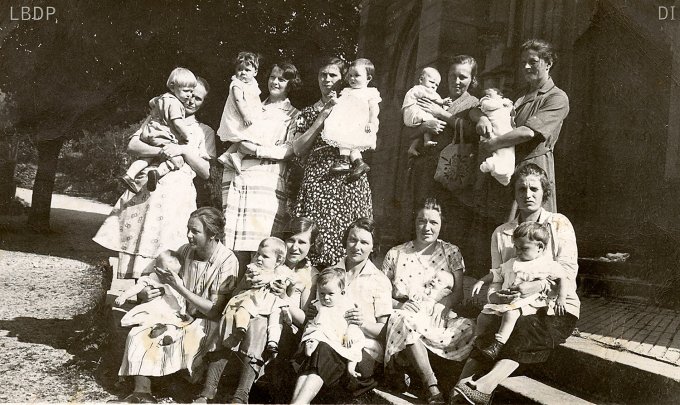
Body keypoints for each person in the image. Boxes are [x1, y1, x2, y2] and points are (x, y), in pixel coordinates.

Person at [451, 164, 579, 405]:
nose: (527, 194)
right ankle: (457, 392)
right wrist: (495, 298)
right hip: (510, 307)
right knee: (488, 330)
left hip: (555, 308)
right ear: (514, 194)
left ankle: (484, 387)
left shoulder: (558, 224)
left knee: (522, 327)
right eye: (521, 189)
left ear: (544, 193)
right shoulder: (501, 233)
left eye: (534, 189)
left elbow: (568, 274)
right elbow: (497, 279)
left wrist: (539, 286)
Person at [110, 207, 240, 403]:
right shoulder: (185, 251)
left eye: (195, 231)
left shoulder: (227, 261)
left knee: (181, 340)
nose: (189, 235)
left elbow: (214, 310)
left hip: (206, 322)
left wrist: (178, 287)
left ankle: (185, 386)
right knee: (138, 334)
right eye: (188, 229)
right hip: (176, 314)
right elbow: (153, 278)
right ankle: (142, 392)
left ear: (212, 234)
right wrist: (146, 293)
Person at [94, 78, 211, 280]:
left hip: (178, 196)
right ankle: (138, 293)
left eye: (198, 99)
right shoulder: (159, 117)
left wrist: (183, 149)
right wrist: (162, 152)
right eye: (189, 95)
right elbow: (133, 146)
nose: (191, 101)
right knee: (142, 238)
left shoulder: (203, 131)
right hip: (147, 190)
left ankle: (161, 297)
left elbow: (205, 171)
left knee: (169, 246)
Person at [195, 217, 319, 404]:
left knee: (258, 325)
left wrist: (284, 298)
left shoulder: (310, 275)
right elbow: (236, 296)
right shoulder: (264, 261)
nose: (294, 247)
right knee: (232, 319)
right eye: (291, 240)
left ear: (312, 245)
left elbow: (304, 321)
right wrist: (246, 284)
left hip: (280, 330)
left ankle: (241, 395)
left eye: (302, 242)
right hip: (250, 318)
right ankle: (207, 391)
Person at [382, 198, 475, 404]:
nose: (427, 227)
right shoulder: (396, 253)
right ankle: (432, 386)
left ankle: (405, 364)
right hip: (405, 313)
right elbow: (379, 294)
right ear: (414, 222)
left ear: (442, 224)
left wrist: (444, 303)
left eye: (433, 222)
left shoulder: (451, 252)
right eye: (422, 221)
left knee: (471, 328)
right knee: (405, 320)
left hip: (437, 314)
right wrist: (399, 304)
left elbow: (458, 293)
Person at [291, 218, 391, 404]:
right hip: (326, 342)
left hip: (360, 350)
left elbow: (385, 332)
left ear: (373, 246)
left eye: (364, 242)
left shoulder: (379, 280)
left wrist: (362, 323)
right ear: (345, 240)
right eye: (352, 240)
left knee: (322, 350)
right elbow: (314, 309)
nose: (357, 246)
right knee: (321, 347)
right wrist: (314, 311)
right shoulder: (330, 273)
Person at [221, 62, 301, 275]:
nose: (275, 82)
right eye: (272, 77)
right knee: (233, 242)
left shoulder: (293, 115)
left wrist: (256, 150)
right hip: (239, 174)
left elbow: (289, 150)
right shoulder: (252, 104)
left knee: (261, 243)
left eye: (282, 79)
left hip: (267, 179)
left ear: (290, 84)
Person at [292, 57, 373, 269]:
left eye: (333, 75)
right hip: (319, 177)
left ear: (343, 78)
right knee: (314, 233)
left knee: (350, 234)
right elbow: (298, 148)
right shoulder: (307, 112)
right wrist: (322, 116)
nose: (327, 79)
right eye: (322, 75)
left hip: (349, 179)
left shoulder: (356, 103)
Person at [474, 38, 570, 215]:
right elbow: (484, 108)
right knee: (499, 225)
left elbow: (528, 132)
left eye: (533, 62)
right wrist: (482, 118)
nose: (526, 67)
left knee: (527, 229)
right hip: (506, 163)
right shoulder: (519, 94)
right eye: (523, 62)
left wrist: (494, 143)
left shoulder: (556, 97)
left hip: (532, 167)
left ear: (548, 63)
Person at [402, 55, 480, 269]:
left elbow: (475, 133)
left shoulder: (473, 104)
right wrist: (424, 127)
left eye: (463, 77)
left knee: (449, 227)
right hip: (427, 173)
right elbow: (410, 127)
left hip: (453, 177)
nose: (456, 81)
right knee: (423, 224)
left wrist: (442, 115)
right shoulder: (437, 98)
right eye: (452, 75)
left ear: (472, 79)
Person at [470, 221, 568, 361]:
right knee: (483, 315)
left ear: (540, 247)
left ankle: (498, 344)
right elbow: (497, 273)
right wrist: (481, 281)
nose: (518, 252)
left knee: (510, 314)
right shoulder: (512, 262)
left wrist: (561, 298)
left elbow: (563, 278)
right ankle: (477, 340)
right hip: (509, 300)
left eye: (523, 248)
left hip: (529, 303)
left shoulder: (546, 264)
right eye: (516, 247)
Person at [120, 67, 199, 193]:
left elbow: (151, 102)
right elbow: (177, 122)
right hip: (162, 135)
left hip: (149, 132)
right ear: (173, 87)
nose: (189, 95)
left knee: (146, 157)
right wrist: (187, 135)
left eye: (191, 91)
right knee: (177, 158)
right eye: (186, 91)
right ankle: (157, 173)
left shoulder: (162, 97)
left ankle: (130, 175)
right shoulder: (176, 104)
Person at [220, 237, 294, 355]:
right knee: (245, 307)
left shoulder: (281, 271)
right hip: (254, 298)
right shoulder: (253, 268)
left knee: (275, 318)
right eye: (258, 254)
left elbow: (290, 284)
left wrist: (275, 280)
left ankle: (273, 342)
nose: (259, 258)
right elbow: (251, 280)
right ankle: (241, 328)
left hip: (271, 302)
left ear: (278, 261)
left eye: (265, 257)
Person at [321, 58, 381, 179]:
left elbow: (374, 110)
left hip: (358, 123)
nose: (352, 79)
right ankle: (359, 163)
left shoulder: (370, 92)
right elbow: (342, 104)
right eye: (350, 76)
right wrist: (335, 100)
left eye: (357, 76)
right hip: (345, 122)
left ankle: (344, 161)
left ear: (368, 78)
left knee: (347, 141)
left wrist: (372, 123)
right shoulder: (346, 91)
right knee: (350, 143)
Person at [300, 267, 365, 379]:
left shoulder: (346, 305)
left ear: (342, 293)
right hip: (324, 331)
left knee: (355, 345)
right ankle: (311, 343)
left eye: (331, 294)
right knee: (315, 331)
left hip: (341, 335)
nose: (326, 298)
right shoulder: (318, 304)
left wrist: (349, 333)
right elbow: (311, 322)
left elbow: (353, 323)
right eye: (322, 293)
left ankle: (351, 367)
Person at [114, 250, 192, 339]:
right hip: (153, 308)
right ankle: (157, 328)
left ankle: (169, 336)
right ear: (155, 269)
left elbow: (181, 299)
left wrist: (182, 311)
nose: (167, 278)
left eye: (171, 275)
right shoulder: (152, 278)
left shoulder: (178, 282)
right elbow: (136, 288)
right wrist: (123, 296)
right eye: (163, 273)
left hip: (170, 310)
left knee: (174, 322)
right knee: (145, 318)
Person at [216, 51, 272, 174]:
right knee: (250, 135)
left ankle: (228, 155)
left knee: (249, 137)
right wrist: (245, 115)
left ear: (255, 72)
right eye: (239, 69)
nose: (243, 73)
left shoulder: (253, 84)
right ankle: (236, 155)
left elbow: (254, 99)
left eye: (247, 70)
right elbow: (238, 100)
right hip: (239, 115)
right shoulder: (237, 84)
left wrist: (259, 108)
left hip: (249, 113)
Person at [402, 67, 453, 156]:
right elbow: (432, 96)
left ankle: (412, 147)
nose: (434, 86)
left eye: (437, 85)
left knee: (425, 125)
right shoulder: (419, 89)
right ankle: (427, 141)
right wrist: (442, 102)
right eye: (432, 82)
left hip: (413, 115)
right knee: (430, 120)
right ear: (421, 80)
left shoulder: (423, 91)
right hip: (413, 113)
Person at [478, 88, 514, 186]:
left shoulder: (502, 102)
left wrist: (507, 105)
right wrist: (502, 103)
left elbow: (509, 111)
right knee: (496, 149)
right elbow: (489, 105)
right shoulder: (486, 102)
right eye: (485, 95)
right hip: (494, 128)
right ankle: (492, 163)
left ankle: (504, 173)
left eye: (489, 94)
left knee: (507, 153)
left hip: (504, 129)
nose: (486, 96)